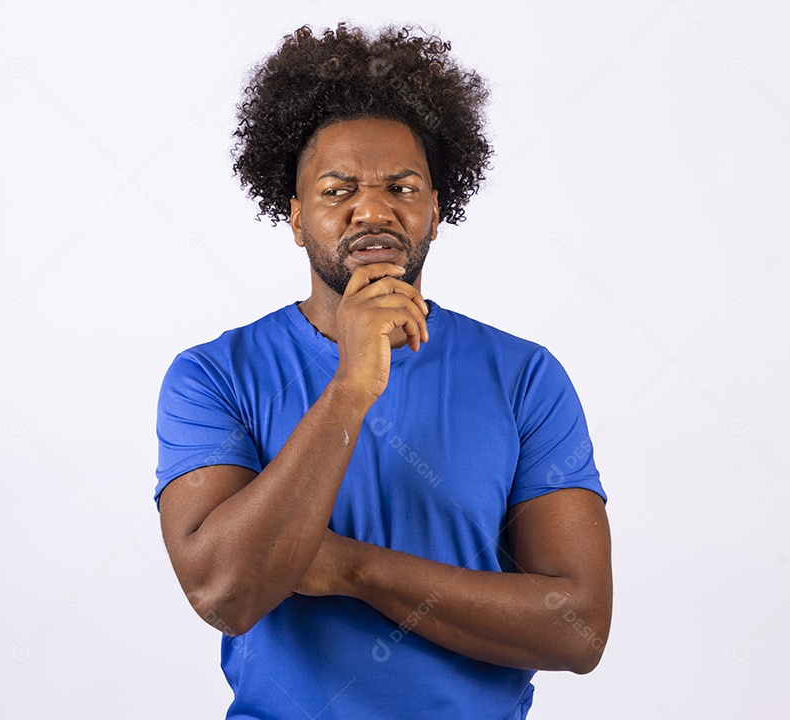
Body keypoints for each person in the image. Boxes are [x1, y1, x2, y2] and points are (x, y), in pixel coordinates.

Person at [154, 23, 612, 719]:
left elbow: (579, 629)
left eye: (401, 186)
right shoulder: (213, 377)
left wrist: (347, 567)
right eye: (338, 190)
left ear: (435, 209)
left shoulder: (523, 377)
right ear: (297, 218)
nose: (372, 208)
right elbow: (224, 592)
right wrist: (350, 389)